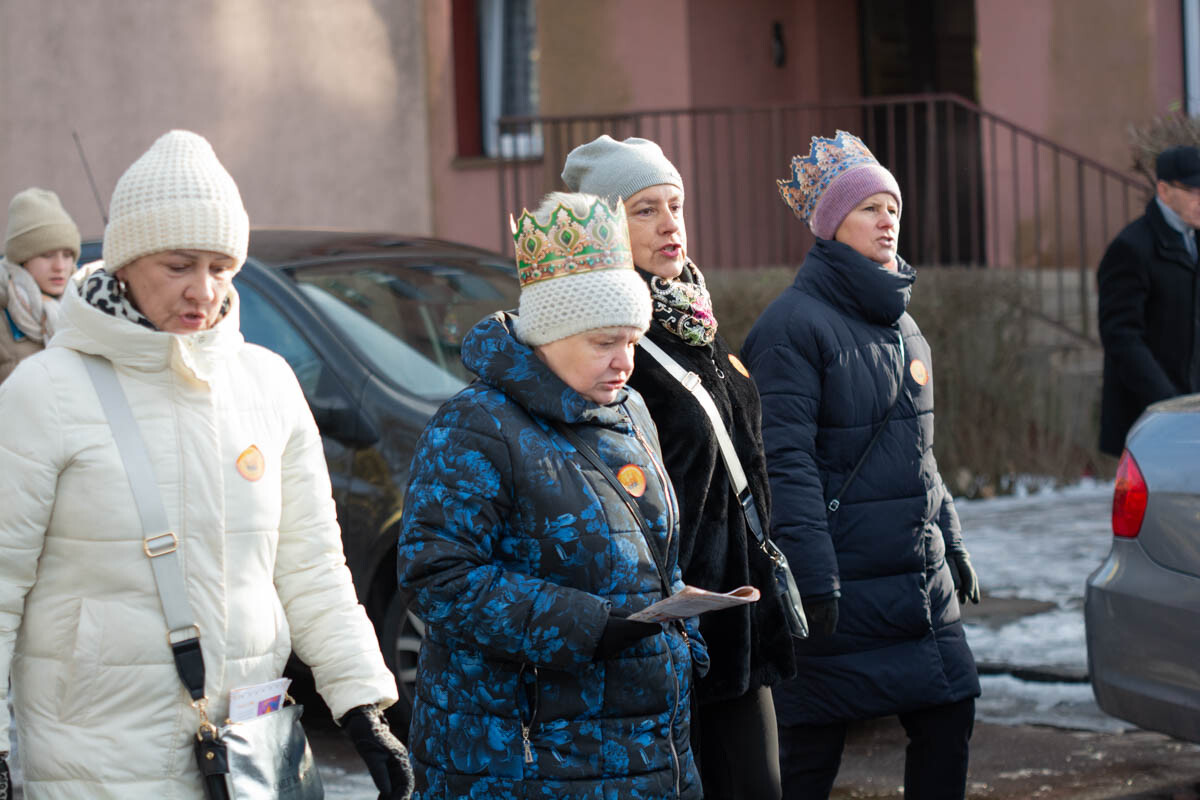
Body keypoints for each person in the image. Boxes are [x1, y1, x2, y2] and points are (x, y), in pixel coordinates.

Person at [0, 130, 412, 799]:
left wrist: (361, 702)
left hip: (248, 754)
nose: (204, 291)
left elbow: (310, 566)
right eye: (179, 265)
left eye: (221, 268)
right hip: (95, 763)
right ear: (127, 261)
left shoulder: (267, 383)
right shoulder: (44, 392)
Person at [397, 191, 707, 799]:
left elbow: (658, 556)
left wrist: (683, 640)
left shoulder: (631, 410)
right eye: (603, 343)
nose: (624, 362)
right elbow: (438, 577)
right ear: (547, 333)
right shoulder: (476, 425)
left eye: (633, 341)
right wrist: (590, 626)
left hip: (646, 752)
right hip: (523, 763)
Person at [742, 130, 981, 799]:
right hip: (840, 589)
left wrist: (952, 542)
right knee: (810, 750)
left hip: (917, 582)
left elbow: (920, 456)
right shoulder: (791, 326)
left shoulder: (904, 326)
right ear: (829, 225)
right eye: (869, 208)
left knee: (950, 712)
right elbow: (783, 464)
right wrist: (813, 579)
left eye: (892, 208)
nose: (887, 221)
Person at [561, 135, 797, 799]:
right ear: (605, 225)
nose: (670, 224)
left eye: (675, 205)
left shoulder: (692, 317)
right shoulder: (606, 339)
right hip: (671, 634)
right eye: (644, 210)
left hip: (740, 620)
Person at [1097, 144, 1200, 457]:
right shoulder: (1131, 249)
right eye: (1194, 190)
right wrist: (1168, 404)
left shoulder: (1194, 240)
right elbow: (1122, 337)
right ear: (1164, 190)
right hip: (1151, 420)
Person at [0, 187, 80, 382]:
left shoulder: (85, 309)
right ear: (23, 259)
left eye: (67, 255)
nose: (60, 266)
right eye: (47, 255)